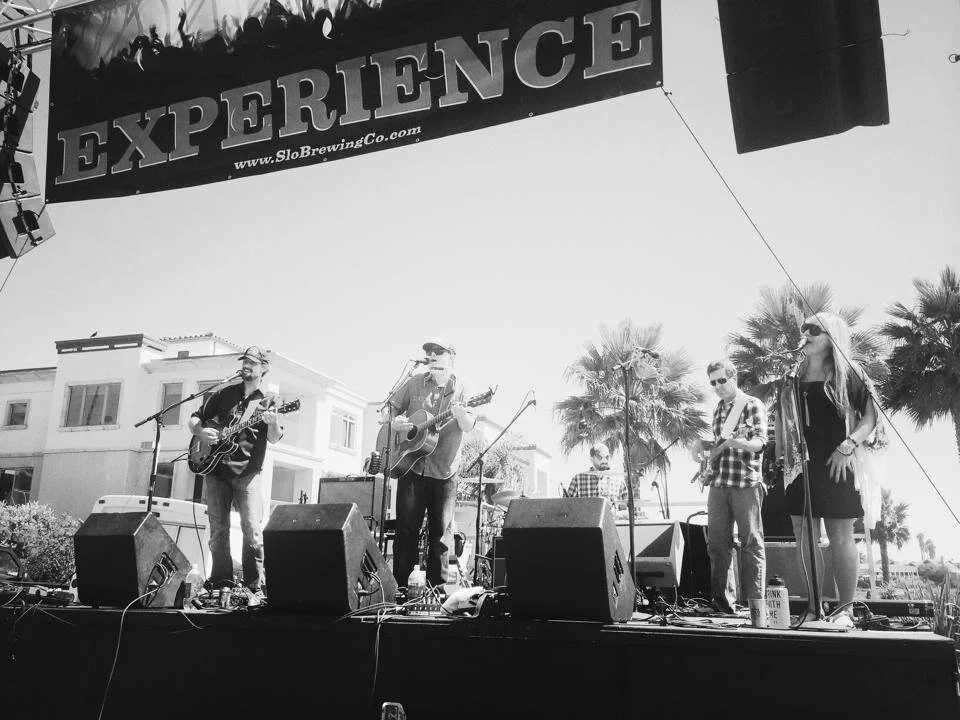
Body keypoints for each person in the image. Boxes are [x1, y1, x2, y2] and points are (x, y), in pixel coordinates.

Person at [775, 312, 879, 625]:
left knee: (840, 533)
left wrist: (848, 445)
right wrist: (783, 456)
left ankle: (845, 610)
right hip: (799, 464)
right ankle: (813, 607)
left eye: (813, 330)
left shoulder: (849, 371)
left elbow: (871, 417)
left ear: (831, 335)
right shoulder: (793, 374)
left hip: (837, 459)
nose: (805, 333)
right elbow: (783, 419)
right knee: (804, 534)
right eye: (803, 328)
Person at [189, 345, 282, 607]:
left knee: (252, 532)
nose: (246, 366)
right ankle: (221, 585)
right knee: (218, 532)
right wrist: (200, 433)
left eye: (252, 362)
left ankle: (254, 588)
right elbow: (195, 418)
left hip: (247, 473)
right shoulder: (223, 394)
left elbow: (274, 437)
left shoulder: (269, 401)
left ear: (263, 368)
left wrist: (272, 421)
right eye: (245, 362)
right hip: (216, 471)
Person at [387, 339, 477, 589]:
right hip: (411, 466)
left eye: (439, 352)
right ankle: (401, 591)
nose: (432, 355)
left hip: (445, 471)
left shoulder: (464, 388)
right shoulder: (414, 382)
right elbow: (391, 409)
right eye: (429, 352)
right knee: (406, 531)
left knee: (441, 536)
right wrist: (396, 423)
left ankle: (437, 593)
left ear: (451, 359)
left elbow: (469, 424)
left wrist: (460, 415)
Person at [693, 358, 766, 614]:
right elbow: (718, 444)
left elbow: (760, 442)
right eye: (713, 383)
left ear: (734, 377)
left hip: (745, 482)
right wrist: (701, 449)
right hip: (719, 482)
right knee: (717, 544)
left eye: (722, 380)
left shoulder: (751, 404)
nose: (718, 386)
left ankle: (757, 606)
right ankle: (723, 605)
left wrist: (741, 444)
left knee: (751, 542)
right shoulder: (717, 409)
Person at [565, 442, 631, 518]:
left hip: (611, 527)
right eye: (600, 457)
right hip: (586, 526)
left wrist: (618, 514)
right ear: (591, 459)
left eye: (607, 457)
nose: (604, 461)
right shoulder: (578, 479)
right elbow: (566, 507)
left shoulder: (618, 480)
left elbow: (625, 507)